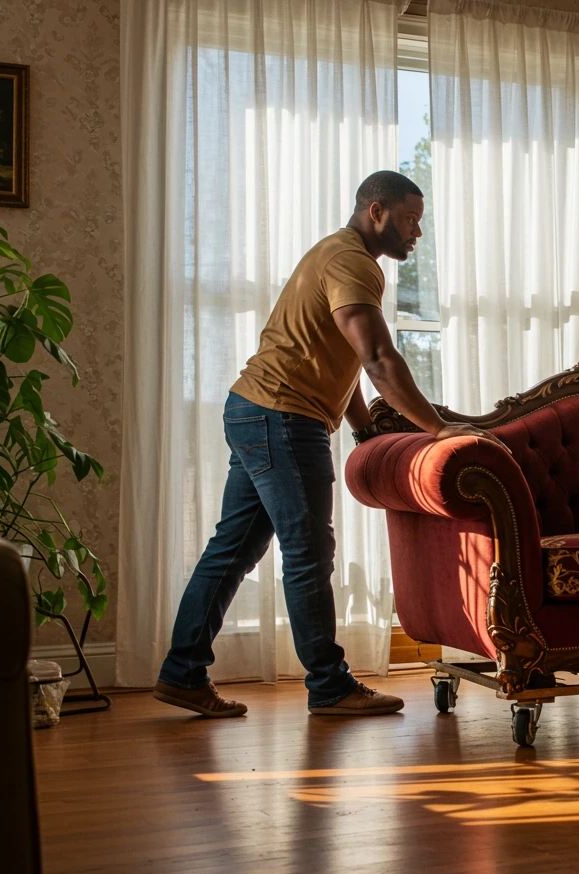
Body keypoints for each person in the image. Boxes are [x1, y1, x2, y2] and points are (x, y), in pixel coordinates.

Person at [153, 170, 502, 718]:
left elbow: (343, 362)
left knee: (234, 549)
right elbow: (378, 359)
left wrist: (363, 429)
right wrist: (438, 429)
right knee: (308, 552)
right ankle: (330, 685)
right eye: (411, 219)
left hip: (253, 409)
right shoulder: (352, 262)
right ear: (377, 211)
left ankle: (182, 673)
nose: (417, 232)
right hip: (283, 417)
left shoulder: (337, 254)